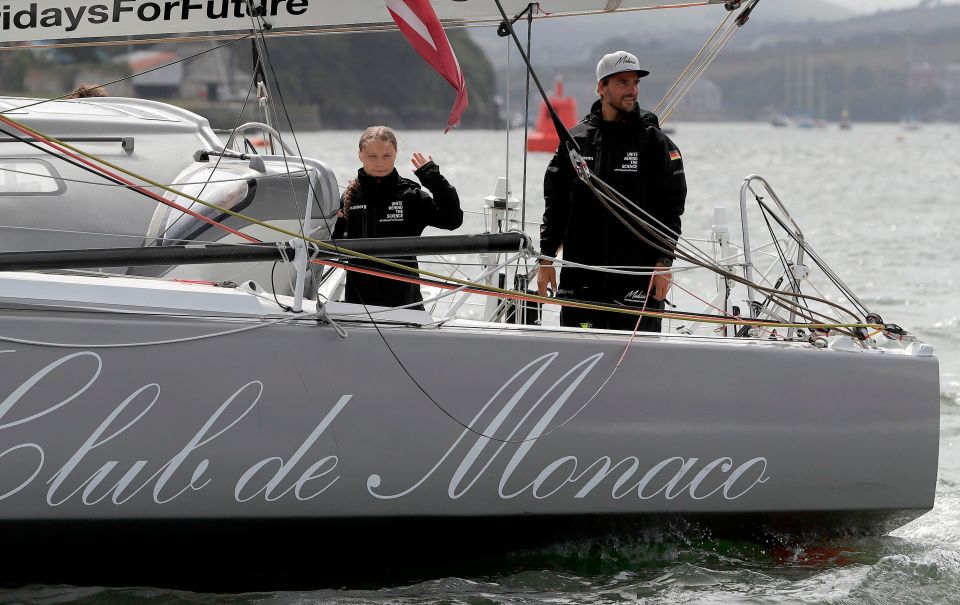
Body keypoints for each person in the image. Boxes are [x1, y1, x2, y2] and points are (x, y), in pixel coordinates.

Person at [537, 51, 687, 332]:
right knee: (577, 357)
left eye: (635, 82)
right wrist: (546, 257)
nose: (632, 90)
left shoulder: (655, 143)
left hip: (636, 277)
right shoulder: (576, 141)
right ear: (601, 87)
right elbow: (555, 204)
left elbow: (671, 208)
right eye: (623, 83)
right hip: (581, 277)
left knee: (638, 363)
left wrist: (664, 262)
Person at [332, 126, 463, 310]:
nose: (380, 163)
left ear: (395, 154)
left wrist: (434, 180)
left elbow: (453, 220)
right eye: (372, 156)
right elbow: (334, 248)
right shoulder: (349, 197)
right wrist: (334, 225)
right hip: (359, 307)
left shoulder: (410, 195)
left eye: (387, 156)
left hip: (406, 304)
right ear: (360, 155)